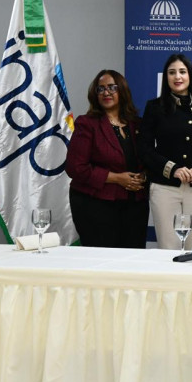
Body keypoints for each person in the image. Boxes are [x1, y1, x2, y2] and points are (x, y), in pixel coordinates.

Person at [138, 54, 192, 249]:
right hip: (165, 187)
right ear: (166, 77)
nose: (178, 77)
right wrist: (173, 169)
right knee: (168, 248)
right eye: (172, 72)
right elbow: (145, 148)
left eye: (182, 72)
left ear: (190, 75)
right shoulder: (154, 107)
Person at [66, 69, 149, 248]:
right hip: (95, 205)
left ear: (122, 91)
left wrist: (144, 175)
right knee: (102, 261)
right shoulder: (87, 124)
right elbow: (75, 167)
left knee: (132, 260)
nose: (106, 92)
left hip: (135, 205)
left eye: (112, 87)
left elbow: (148, 158)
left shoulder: (138, 124)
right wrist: (117, 178)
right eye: (101, 89)